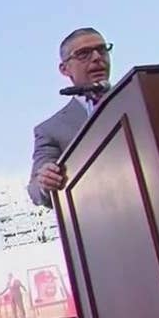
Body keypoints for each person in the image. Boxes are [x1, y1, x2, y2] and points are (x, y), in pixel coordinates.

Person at [27, 28, 114, 209]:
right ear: (64, 69)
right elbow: (35, 190)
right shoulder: (50, 130)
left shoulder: (137, 96)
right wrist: (45, 181)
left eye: (102, 49)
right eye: (84, 54)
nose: (97, 57)